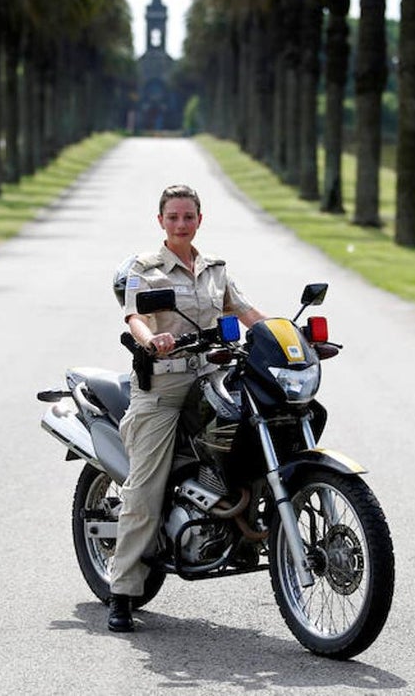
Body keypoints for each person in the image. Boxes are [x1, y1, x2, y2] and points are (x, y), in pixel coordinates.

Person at [108, 184, 266, 633]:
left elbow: (247, 311)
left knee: (253, 435)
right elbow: (135, 315)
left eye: (188, 216)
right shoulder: (145, 267)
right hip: (163, 386)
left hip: (212, 377)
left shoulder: (215, 269)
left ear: (200, 219)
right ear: (161, 221)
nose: (181, 224)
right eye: (173, 217)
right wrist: (150, 340)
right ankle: (122, 590)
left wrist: (286, 336)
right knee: (145, 487)